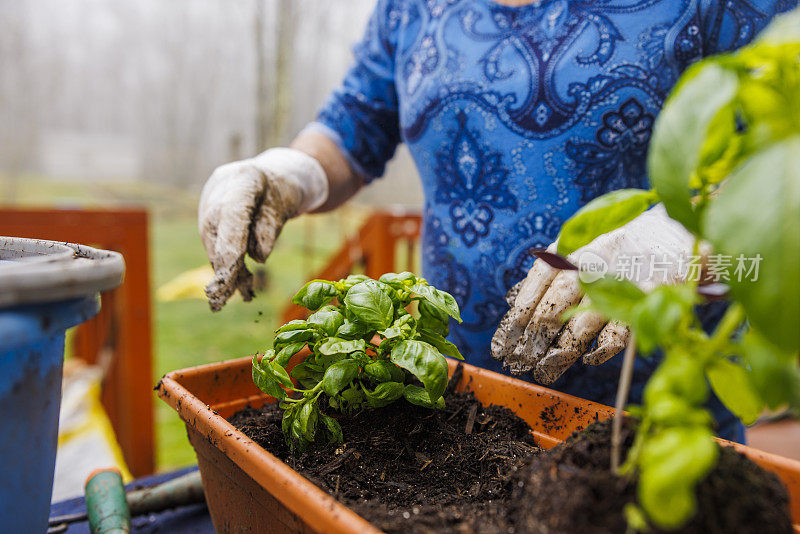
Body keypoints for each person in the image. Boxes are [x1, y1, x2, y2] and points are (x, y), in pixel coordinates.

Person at [198, 0, 795, 442]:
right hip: (462, 405)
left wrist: (687, 234)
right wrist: (288, 172)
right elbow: (358, 117)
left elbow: (784, 132)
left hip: (656, 411)